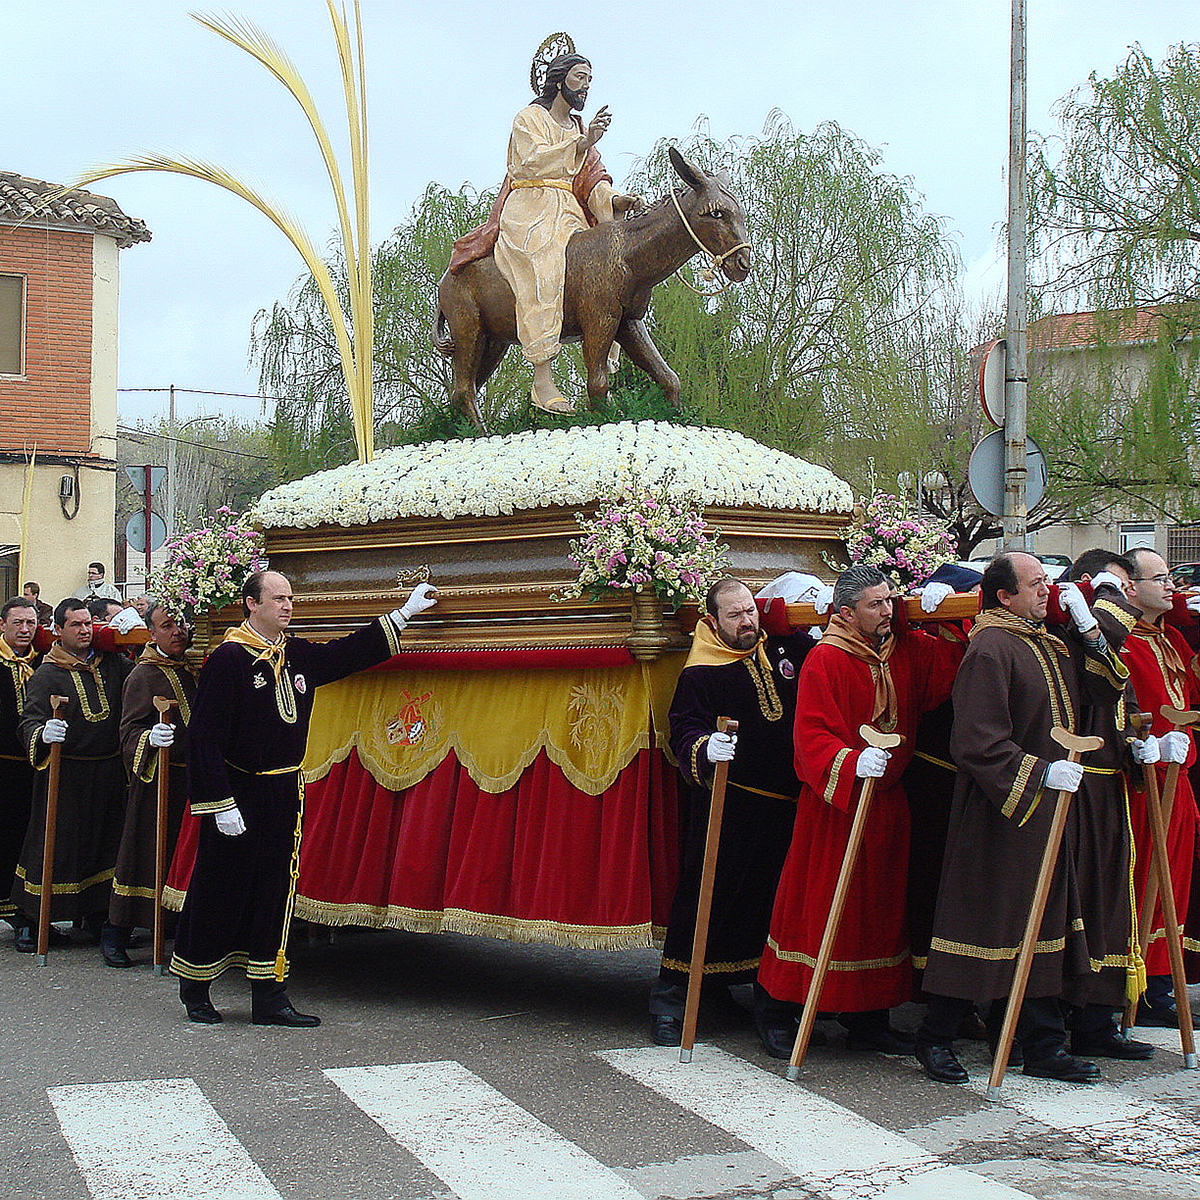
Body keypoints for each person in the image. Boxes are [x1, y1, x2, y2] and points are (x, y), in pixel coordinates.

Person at [169, 571, 438, 1027]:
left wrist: (404, 614)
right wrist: (219, 802)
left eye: (291, 597)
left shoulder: (293, 653)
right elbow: (205, 739)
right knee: (222, 888)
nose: (288, 606)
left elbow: (344, 655)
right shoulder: (228, 660)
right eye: (278, 598)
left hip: (283, 789)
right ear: (251, 604)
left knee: (276, 891)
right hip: (239, 791)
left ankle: (269, 995)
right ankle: (195, 985)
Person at [915, 552, 1134, 1085]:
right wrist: (1037, 774)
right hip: (1002, 811)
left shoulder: (1047, 641)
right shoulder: (990, 648)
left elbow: (1104, 691)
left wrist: (1089, 630)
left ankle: (1039, 1042)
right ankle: (936, 1035)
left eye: (1046, 582)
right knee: (985, 920)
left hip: (1050, 810)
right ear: (1004, 596)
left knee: (1046, 923)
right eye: (1035, 584)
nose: (1045, 591)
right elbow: (976, 741)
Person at [755, 564, 964, 1057]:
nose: (887, 610)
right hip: (836, 807)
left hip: (887, 806)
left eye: (890, 601)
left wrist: (944, 617)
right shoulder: (825, 659)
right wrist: (849, 761)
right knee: (816, 909)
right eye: (876, 604)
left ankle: (869, 1016)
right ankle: (779, 1009)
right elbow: (809, 737)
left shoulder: (902, 650)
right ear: (846, 613)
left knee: (877, 913)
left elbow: (952, 669)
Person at [649, 576, 813, 1048]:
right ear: (714, 621)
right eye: (735, 615)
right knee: (709, 899)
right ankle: (672, 997)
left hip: (784, 805)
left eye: (750, 611)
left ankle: (762, 996)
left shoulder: (786, 648)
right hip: (730, 804)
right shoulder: (702, 671)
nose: (747, 621)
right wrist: (705, 748)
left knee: (771, 905)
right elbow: (683, 728)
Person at [492, 51, 640, 413]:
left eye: (589, 80)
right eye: (579, 78)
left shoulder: (578, 128)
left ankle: (602, 365)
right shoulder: (529, 118)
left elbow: (591, 178)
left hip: (571, 211)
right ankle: (542, 378)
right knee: (545, 267)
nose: (585, 87)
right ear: (559, 81)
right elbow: (529, 161)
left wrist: (614, 199)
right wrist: (581, 143)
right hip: (530, 207)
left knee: (604, 268)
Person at [11, 598, 133, 954]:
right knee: (56, 847)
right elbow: (28, 722)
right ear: (59, 631)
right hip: (66, 774)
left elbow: (139, 673)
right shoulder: (47, 673)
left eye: (88, 624)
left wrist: (128, 633)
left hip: (108, 771)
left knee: (103, 845)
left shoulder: (111, 664)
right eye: (76, 625)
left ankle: (95, 914)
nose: (84, 631)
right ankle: (33, 919)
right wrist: (42, 733)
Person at [1118, 547, 1200, 1027]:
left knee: (1178, 882)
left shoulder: (1170, 639)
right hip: (1147, 781)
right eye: (1160, 578)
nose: (1171, 586)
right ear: (1131, 587)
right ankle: (1144, 984)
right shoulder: (1126, 640)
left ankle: (1167, 977)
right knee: (1150, 881)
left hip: (1180, 778)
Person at [105, 600, 197, 966]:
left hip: (190, 777)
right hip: (156, 778)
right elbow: (129, 731)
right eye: (166, 626)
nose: (177, 632)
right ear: (152, 632)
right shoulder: (143, 675)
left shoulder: (191, 666)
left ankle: (172, 921)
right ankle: (116, 930)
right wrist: (149, 738)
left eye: (180, 625)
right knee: (142, 855)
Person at [0, 598, 51, 948]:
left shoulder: (43, 662)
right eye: (17, 623)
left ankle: (28, 911)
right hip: (2, 764)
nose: (24, 630)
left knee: (31, 839)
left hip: (36, 764)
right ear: (2, 625)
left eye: (30, 623)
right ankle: (13, 913)